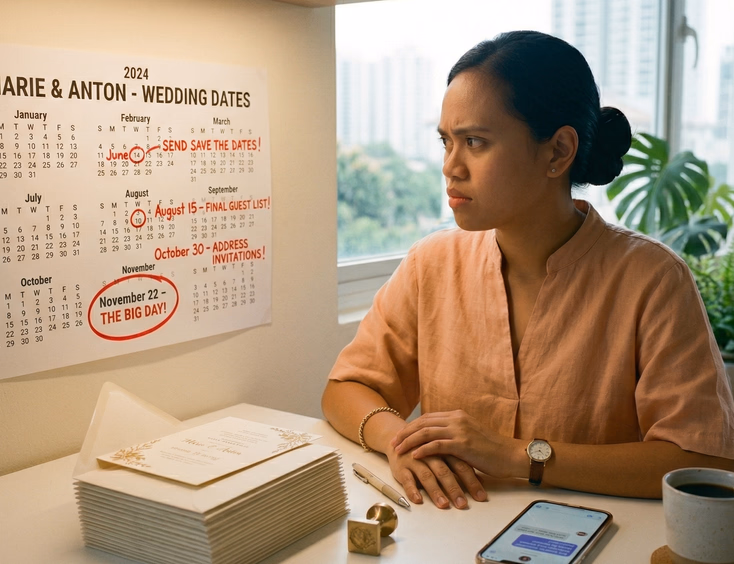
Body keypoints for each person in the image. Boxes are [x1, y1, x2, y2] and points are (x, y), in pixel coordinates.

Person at [322, 31, 734, 509]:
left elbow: (700, 458)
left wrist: (518, 457)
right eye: (446, 142)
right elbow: (346, 388)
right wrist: (400, 442)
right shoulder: (430, 263)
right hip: (449, 534)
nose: (450, 167)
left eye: (475, 141)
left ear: (558, 151)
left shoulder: (653, 279)